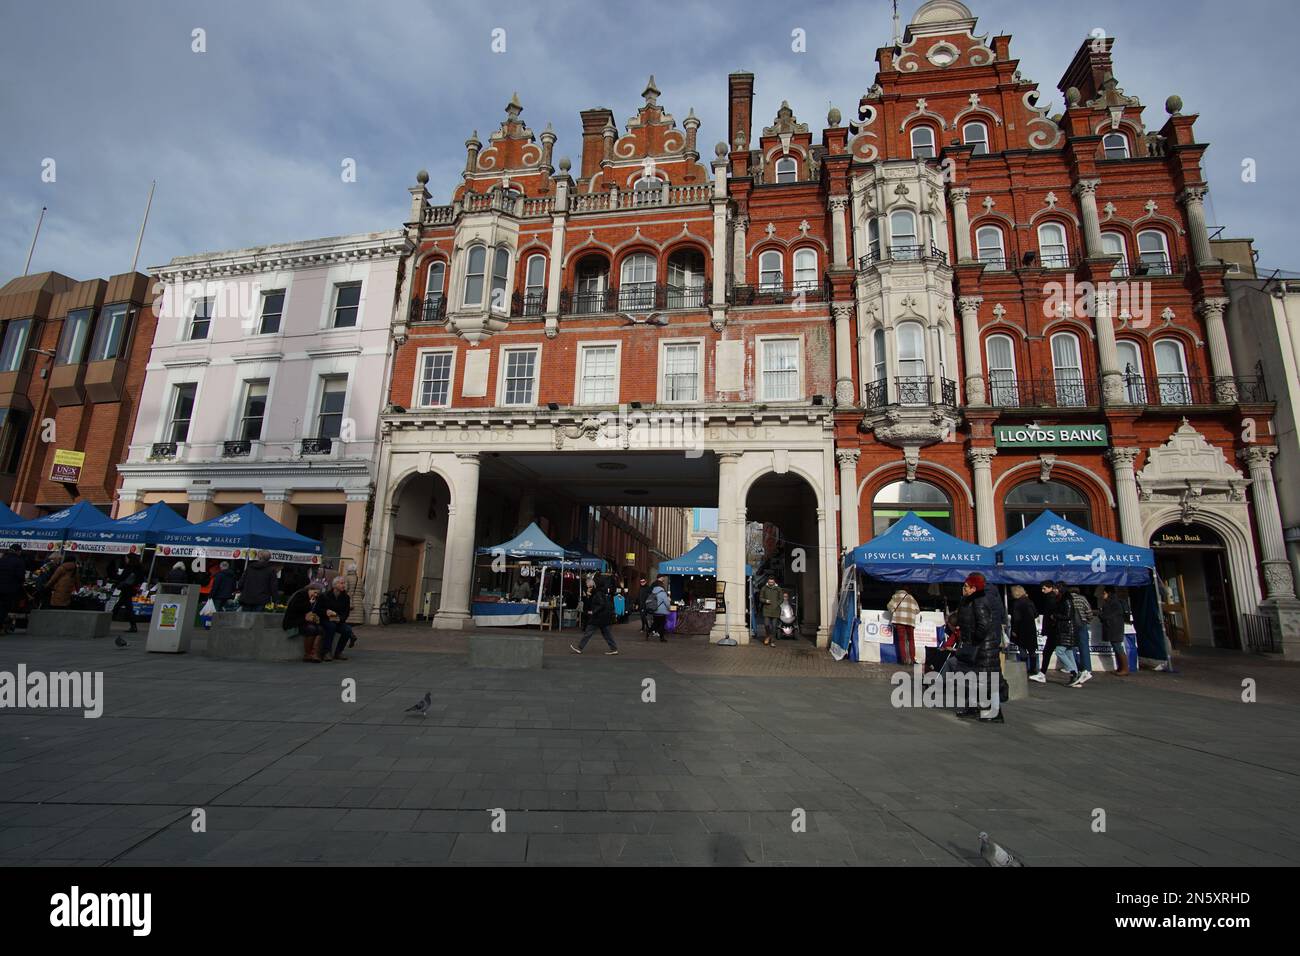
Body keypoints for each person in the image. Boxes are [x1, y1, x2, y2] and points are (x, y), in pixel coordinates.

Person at [953, 573, 1003, 722]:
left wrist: (975, 639)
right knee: (973, 677)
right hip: (977, 645)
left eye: (966, 586)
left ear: (974, 587)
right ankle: (973, 707)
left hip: (984, 646)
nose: (963, 588)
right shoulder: (970, 600)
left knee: (989, 679)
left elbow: (983, 624)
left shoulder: (980, 601)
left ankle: (995, 712)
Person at [570, 575, 618, 655]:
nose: (587, 584)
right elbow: (592, 603)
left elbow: (601, 604)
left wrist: (593, 611)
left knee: (589, 632)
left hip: (598, 616)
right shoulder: (597, 592)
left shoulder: (598, 593)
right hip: (602, 616)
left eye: (588, 583)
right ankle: (614, 648)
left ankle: (579, 648)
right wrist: (588, 595)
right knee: (606, 633)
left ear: (593, 583)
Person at [283, 581, 324, 662]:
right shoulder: (300, 595)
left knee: (320, 629)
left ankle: (315, 654)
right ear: (310, 589)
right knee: (311, 629)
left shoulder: (311, 598)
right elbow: (296, 609)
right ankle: (307, 654)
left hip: (303, 620)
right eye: (314, 592)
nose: (315, 595)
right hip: (294, 621)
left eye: (317, 594)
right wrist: (309, 605)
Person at [1009, 585, 1043, 682]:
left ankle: (1024, 668)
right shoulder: (1029, 601)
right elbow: (1036, 614)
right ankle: (1033, 668)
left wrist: (1014, 630)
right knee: (1032, 649)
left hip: (1020, 628)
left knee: (1022, 649)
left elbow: (1016, 618)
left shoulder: (1017, 603)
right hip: (1031, 628)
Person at [317, 576, 355, 662]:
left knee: (347, 630)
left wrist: (340, 619)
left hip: (338, 621)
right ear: (335, 585)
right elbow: (318, 609)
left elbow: (346, 612)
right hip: (325, 619)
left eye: (344, 583)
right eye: (341, 583)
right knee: (331, 627)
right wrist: (326, 612)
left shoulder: (345, 597)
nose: (343, 585)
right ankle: (326, 652)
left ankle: (339, 652)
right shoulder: (325, 595)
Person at [1068, 586, 1095, 687]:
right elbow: (1089, 611)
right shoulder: (1082, 598)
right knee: (1084, 647)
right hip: (1082, 625)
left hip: (1071, 626)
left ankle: (1075, 667)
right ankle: (1087, 669)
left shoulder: (1067, 599)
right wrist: (1087, 620)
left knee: (1071, 647)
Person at [1099, 586, 1130, 675]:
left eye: (1104, 593)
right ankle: (1120, 667)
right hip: (1114, 628)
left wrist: (1101, 615)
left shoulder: (1114, 603)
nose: (1102, 595)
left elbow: (1109, 615)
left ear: (1108, 593)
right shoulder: (1111, 602)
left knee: (1118, 647)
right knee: (1116, 647)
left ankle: (1124, 668)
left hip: (1115, 628)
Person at [886, 587, 920, 665]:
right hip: (910, 621)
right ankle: (912, 659)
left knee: (901, 640)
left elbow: (889, 606)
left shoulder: (896, 596)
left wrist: (894, 612)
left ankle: (904, 660)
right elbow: (917, 610)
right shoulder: (911, 597)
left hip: (899, 621)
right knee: (911, 640)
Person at [113, 553, 143, 633]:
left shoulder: (129, 568)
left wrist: (117, 576)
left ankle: (107, 620)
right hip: (131, 589)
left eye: (126, 558)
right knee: (124, 606)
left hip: (126, 589)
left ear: (130, 559)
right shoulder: (138, 568)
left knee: (125, 607)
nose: (125, 560)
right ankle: (133, 626)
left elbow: (122, 577)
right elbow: (140, 579)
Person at [0, 544, 26, 634]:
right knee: (4, 608)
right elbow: (20, 576)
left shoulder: (2, 559)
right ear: (18, 551)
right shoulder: (19, 561)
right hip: (10, 588)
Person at [759, 575, 783, 647]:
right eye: (769, 582)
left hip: (776, 610)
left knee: (774, 626)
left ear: (774, 581)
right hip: (766, 610)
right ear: (768, 581)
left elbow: (781, 599)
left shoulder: (778, 589)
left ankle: (772, 641)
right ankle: (767, 636)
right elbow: (760, 598)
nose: (771, 583)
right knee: (766, 625)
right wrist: (765, 600)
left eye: (772, 582)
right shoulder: (764, 588)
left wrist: (776, 604)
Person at [649, 576, 670, 642]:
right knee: (662, 624)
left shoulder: (653, 592)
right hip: (662, 612)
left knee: (655, 623)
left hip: (655, 610)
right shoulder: (663, 593)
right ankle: (662, 638)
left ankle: (648, 632)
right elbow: (667, 602)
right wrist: (669, 608)